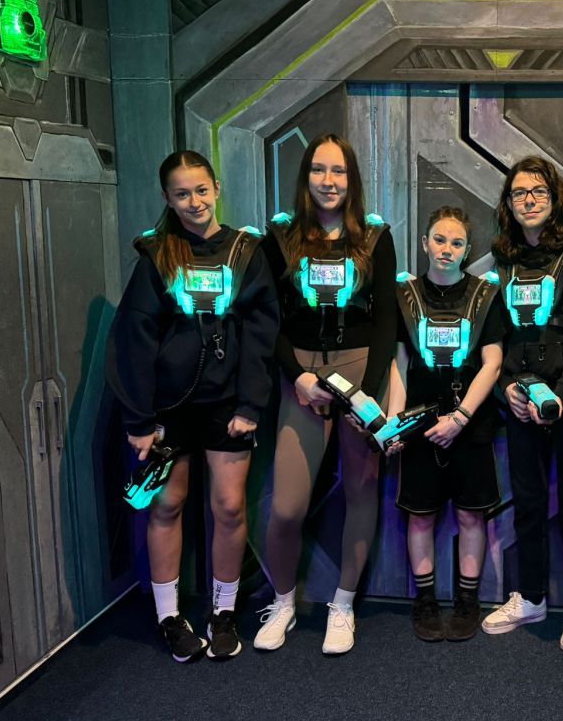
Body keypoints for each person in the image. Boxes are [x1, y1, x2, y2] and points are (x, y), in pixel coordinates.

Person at [108, 149, 279, 662]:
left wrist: (251, 405)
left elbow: (262, 333)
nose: (194, 201)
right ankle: (169, 616)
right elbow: (134, 339)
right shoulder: (157, 255)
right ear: (167, 198)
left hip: (228, 405)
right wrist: (139, 419)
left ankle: (224, 611)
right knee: (166, 505)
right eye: (182, 194)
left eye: (201, 190)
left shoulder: (247, 252)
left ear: (217, 188)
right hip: (168, 409)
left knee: (229, 507)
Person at [256, 133, 397, 656]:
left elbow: (386, 322)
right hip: (301, 376)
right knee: (287, 507)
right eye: (319, 170)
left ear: (351, 178)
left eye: (339, 171)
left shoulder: (375, 237)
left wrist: (369, 394)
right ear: (306, 176)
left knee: (361, 492)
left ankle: (343, 604)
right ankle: (283, 602)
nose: (329, 181)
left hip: (359, 371)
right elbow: (267, 319)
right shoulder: (281, 236)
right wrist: (295, 375)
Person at [480, 156, 563, 652]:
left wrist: (562, 392)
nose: (528, 200)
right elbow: (497, 336)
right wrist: (507, 390)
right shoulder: (504, 260)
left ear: (554, 199)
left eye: (538, 191)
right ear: (508, 203)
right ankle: (531, 597)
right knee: (528, 504)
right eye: (519, 193)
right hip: (520, 400)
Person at [384, 206, 507, 642]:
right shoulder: (404, 295)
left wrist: (460, 417)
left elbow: (493, 364)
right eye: (439, 239)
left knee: (472, 516)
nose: (446, 249)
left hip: (469, 423)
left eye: (456, 243)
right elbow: (399, 364)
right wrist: (395, 421)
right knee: (420, 517)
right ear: (425, 243)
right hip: (420, 424)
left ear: (467, 250)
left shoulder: (485, 295)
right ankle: (425, 602)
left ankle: (467, 602)